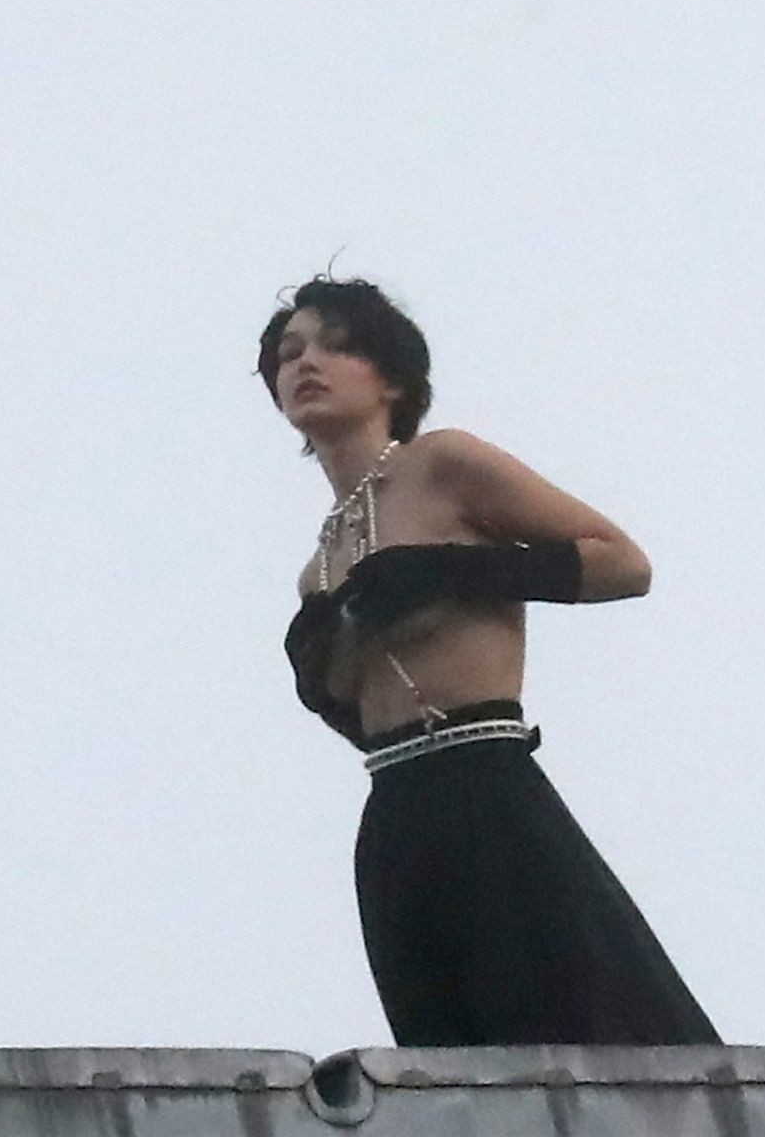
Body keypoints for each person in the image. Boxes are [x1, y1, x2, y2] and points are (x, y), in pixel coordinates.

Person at [255, 272, 725, 1048]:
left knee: (571, 1018)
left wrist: (450, 570)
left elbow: (623, 563)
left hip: (485, 778)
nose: (306, 363)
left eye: (336, 347)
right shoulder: (318, 570)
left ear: (391, 379)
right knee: (443, 1049)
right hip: (393, 810)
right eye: (289, 353)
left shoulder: (443, 464)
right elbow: (354, 710)